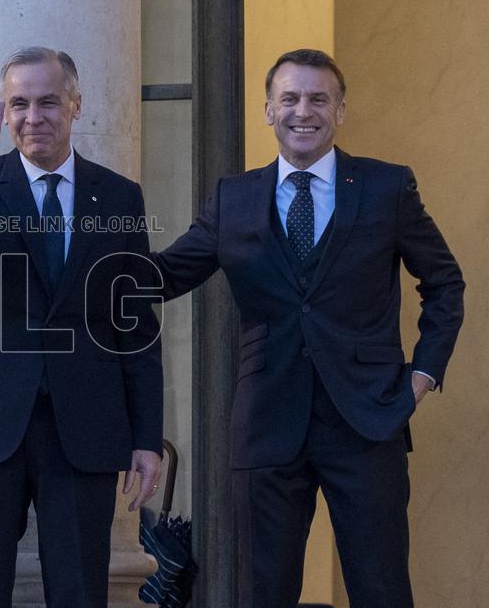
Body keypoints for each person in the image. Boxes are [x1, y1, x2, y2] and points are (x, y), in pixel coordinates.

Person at [151, 48, 465, 607]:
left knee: (382, 590)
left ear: (340, 110)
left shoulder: (386, 188)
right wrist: (84, 251)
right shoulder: (234, 198)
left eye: (319, 99)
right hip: (268, 419)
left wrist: (422, 376)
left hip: (368, 418)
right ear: (268, 111)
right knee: (263, 593)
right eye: (290, 98)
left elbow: (444, 285)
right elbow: (165, 275)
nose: (304, 110)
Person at [0, 47, 164, 608]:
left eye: (48, 102)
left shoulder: (118, 196)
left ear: (76, 104)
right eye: (18, 104)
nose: (33, 117)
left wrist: (147, 435)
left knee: (80, 591)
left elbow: (137, 324)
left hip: (83, 423)